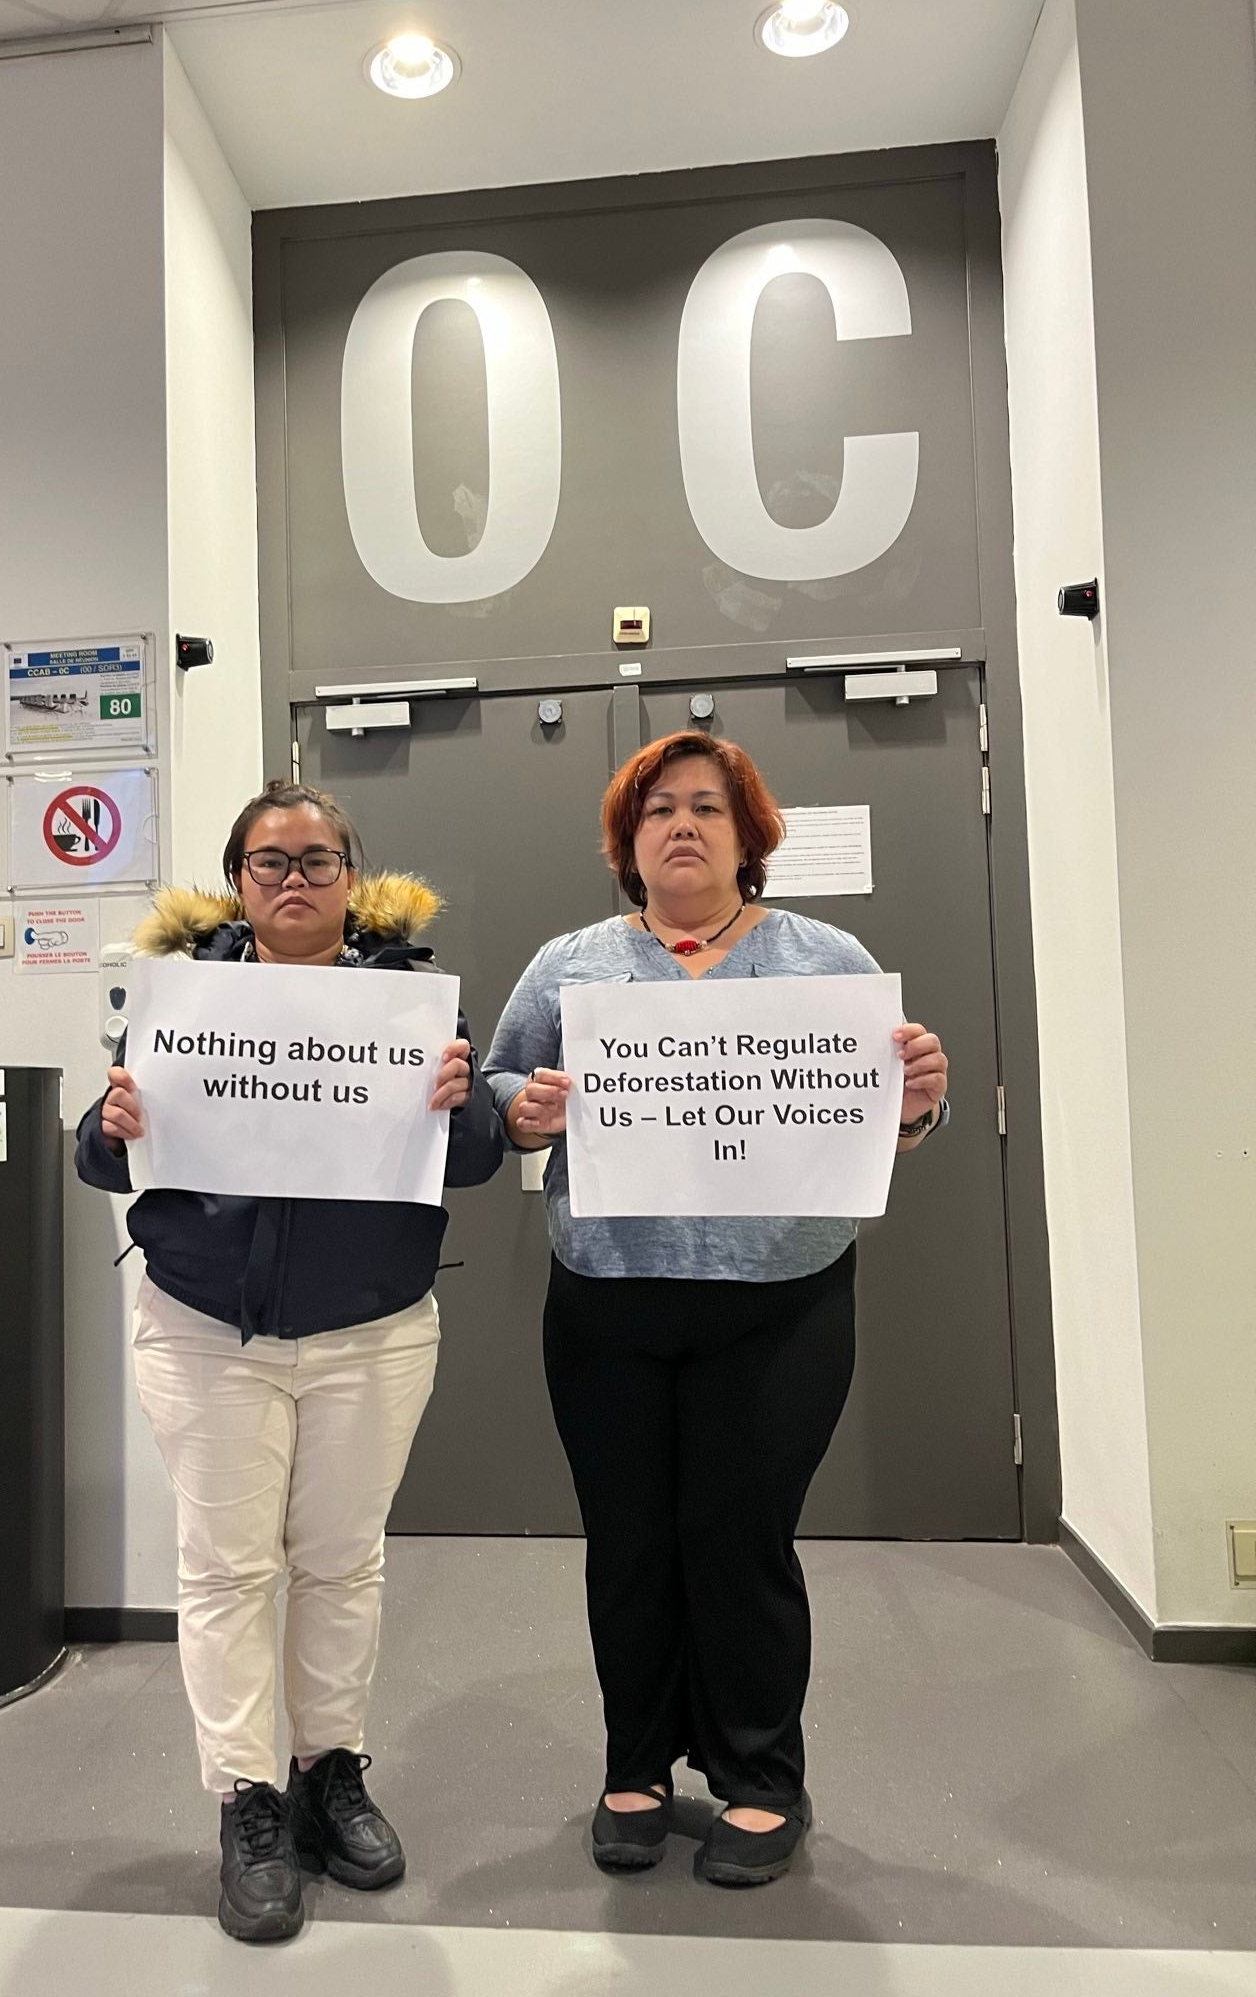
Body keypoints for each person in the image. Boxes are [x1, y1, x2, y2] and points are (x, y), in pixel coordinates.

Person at [483, 732, 948, 1889]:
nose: (681, 825)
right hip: (607, 1302)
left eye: (706, 807)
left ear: (749, 834)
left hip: (779, 1303)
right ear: (625, 840)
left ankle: (760, 1778)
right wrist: (526, 1108)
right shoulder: (571, 964)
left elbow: (881, 1118)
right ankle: (634, 1768)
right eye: (656, 811)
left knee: (741, 1543)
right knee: (629, 1541)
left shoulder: (825, 955)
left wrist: (916, 1107)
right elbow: (500, 1088)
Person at [76, 779, 502, 1944]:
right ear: (239, 879)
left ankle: (329, 1772)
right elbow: (101, 1159)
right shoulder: (181, 1002)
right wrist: (107, 1123)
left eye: (319, 860)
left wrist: (463, 1105)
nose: (297, 880)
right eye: (272, 862)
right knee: (224, 1569)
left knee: (339, 1561)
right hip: (210, 1325)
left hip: (371, 1327)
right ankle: (248, 1800)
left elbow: (468, 1163)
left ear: (351, 878)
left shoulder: (411, 1001)